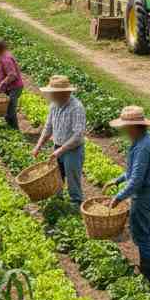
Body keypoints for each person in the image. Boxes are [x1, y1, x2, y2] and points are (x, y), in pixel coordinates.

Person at [108, 105, 150, 286]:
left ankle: (148, 278)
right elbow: (132, 172)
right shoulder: (142, 141)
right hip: (149, 192)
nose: (124, 131)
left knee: (141, 233)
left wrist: (119, 197)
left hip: (144, 194)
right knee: (149, 228)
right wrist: (117, 180)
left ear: (134, 127)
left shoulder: (142, 147)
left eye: (125, 128)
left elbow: (137, 180)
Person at [32, 75, 86, 207]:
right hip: (57, 146)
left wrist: (61, 150)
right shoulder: (54, 105)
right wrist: (38, 146)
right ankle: (58, 201)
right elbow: (48, 127)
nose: (51, 96)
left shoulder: (76, 107)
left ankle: (76, 202)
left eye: (54, 93)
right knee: (56, 176)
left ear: (64, 93)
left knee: (72, 177)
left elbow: (78, 135)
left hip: (73, 150)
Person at [0, 36, 24, 130]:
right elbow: (6, 74)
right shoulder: (4, 56)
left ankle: (15, 131)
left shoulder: (6, 59)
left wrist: (0, 87)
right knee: (7, 110)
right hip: (10, 87)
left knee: (10, 112)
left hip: (14, 88)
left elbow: (12, 75)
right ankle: (10, 129)